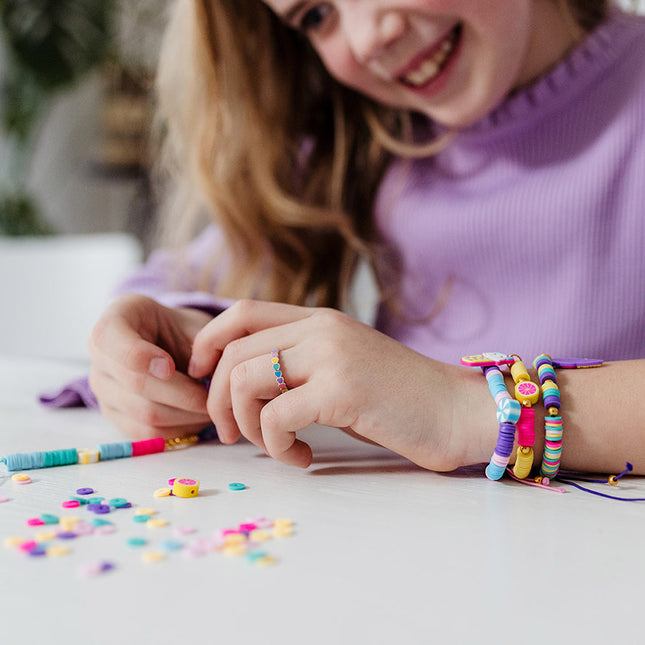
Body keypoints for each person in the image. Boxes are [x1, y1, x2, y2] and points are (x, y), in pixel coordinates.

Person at [56, 0, 645, 480]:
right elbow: (178, 287)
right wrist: (176, 347)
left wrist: (464, 408)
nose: (367, 38)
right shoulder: (369, 134)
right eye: (317, 15)